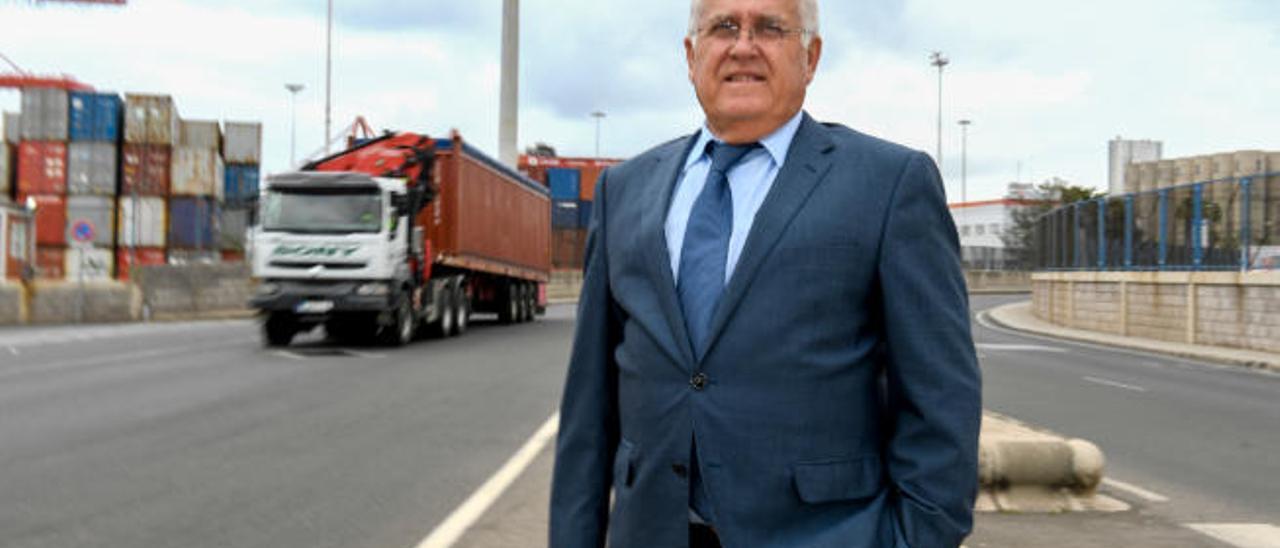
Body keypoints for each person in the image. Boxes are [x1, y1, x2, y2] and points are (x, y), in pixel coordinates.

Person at [550, 0, 982, 546]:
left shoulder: (890, 184)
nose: (743, 45)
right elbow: (588, 411)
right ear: (691, 54)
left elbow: (941, 401)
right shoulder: (624, 190)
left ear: (811, 57)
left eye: (771, 28)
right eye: (723, 27)